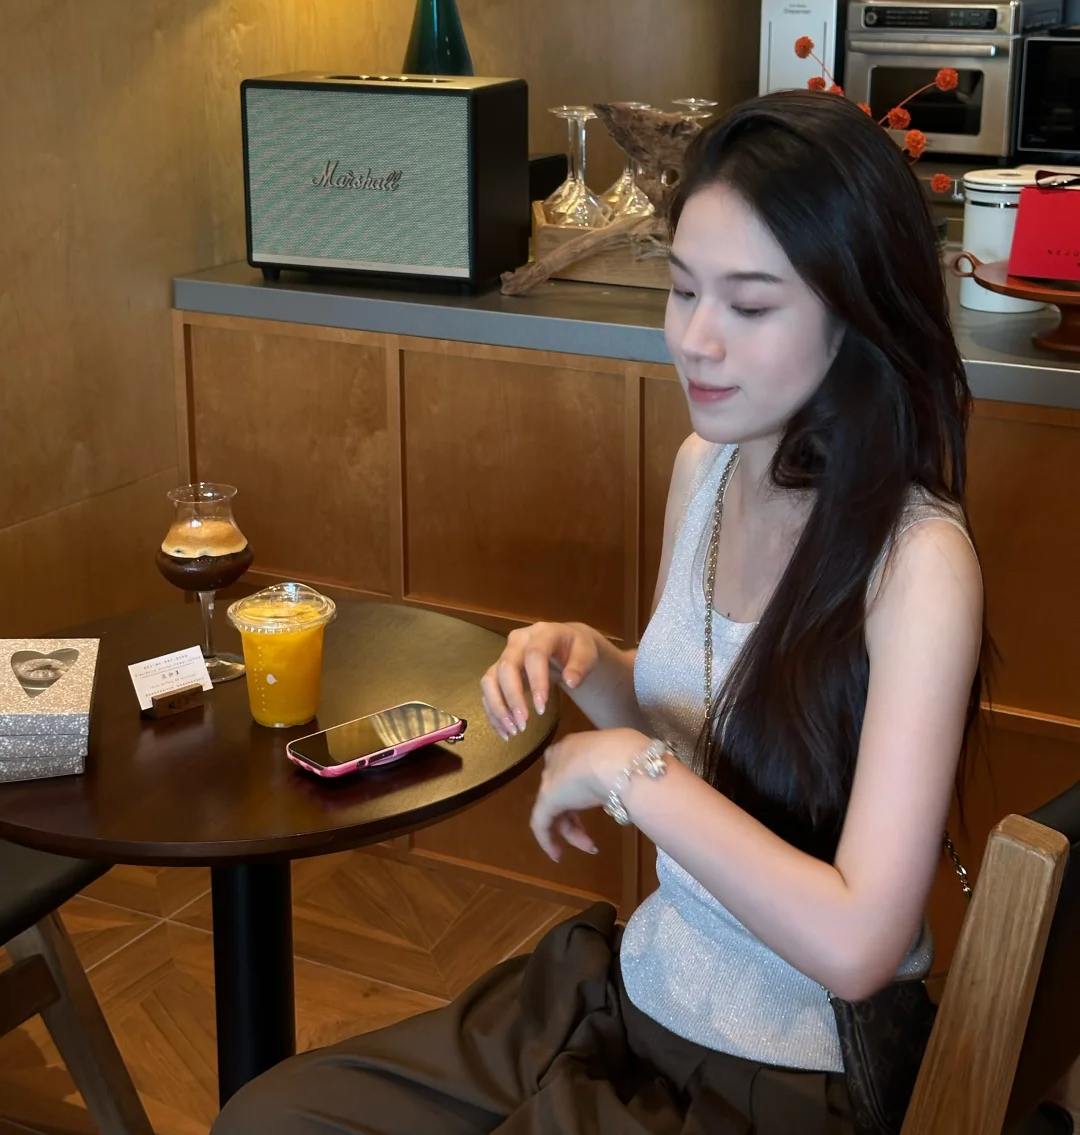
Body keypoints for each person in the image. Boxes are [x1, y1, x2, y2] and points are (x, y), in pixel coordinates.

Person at [213, 91, 985, 1134]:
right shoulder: (708, 468)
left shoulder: (918, 563)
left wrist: (629, 773)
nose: (697, 340)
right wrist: (593, 665)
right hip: (635, 996)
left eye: (751, 307)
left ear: (858, 315)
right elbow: (699, 720)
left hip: (780, 1079)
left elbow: (858, 948)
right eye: (683, 290)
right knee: (273, 1118)